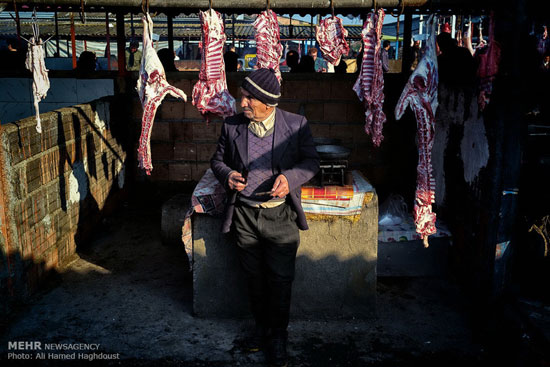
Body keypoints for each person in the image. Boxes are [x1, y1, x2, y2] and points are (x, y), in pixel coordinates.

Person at [210, 68, 320, 367]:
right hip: (244, 215)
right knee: (254, 278)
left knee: (281, 280)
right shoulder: (232, 126)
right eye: (242, 95)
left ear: (268, 104)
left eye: (248, 98)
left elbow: (311, 162)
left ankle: (278, 335)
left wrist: (290, 178)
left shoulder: (296, 125)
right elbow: (217, 160)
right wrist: (228, 175)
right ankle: (260, 331)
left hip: (280, 217)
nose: (241, 102)